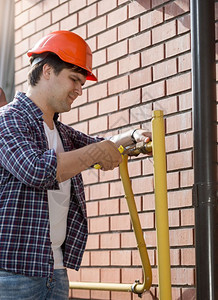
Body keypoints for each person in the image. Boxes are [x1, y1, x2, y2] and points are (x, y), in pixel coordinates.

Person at [0, 31, 150, 300]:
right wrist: (95, 152)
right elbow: (35, 169)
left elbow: (103, 144)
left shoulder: (62, 134)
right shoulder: (7, 120)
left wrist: (135, 135)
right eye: (74, 79)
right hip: (12, 274)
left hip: (55, 272)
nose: (79, 90)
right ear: (47, 70)